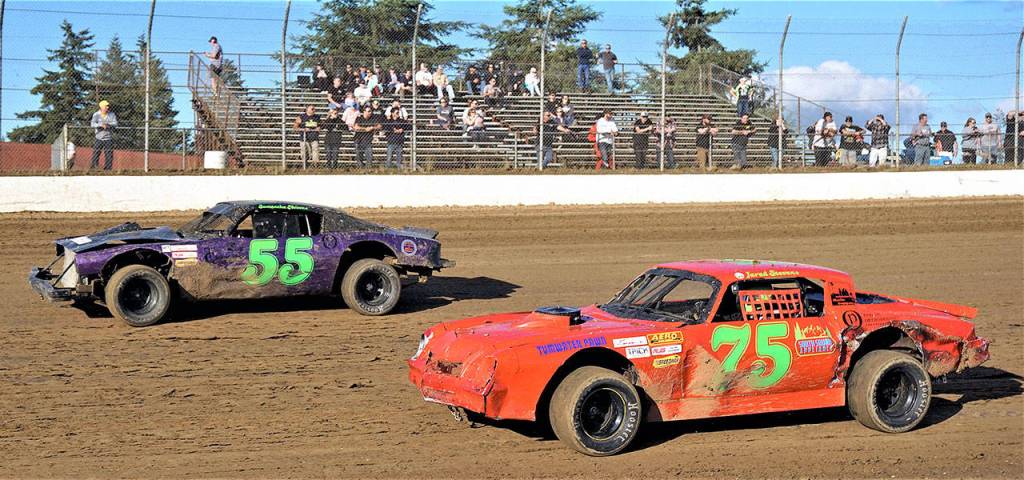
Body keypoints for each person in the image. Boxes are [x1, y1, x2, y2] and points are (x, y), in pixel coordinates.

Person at [89, 100, 118, 170]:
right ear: (101, 107)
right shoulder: (96, 114)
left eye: (108, 106)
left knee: (109, 155)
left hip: (108, 138)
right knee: (96, 153)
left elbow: (115, 124)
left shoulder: (112, 114)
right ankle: (94, 168)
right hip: (98, 138)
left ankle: (108, 169)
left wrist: (108, 125)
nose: (107, 107)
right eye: (106, 106)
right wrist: (100, 125)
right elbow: (92, 124)